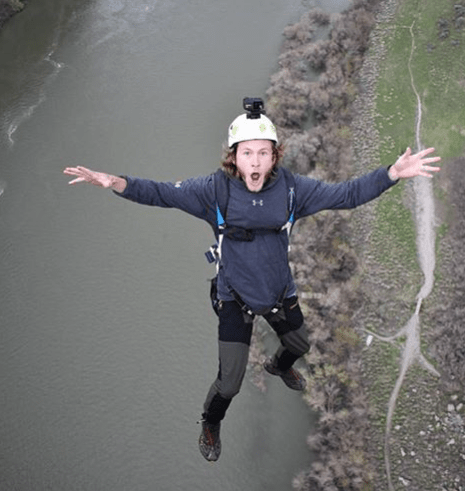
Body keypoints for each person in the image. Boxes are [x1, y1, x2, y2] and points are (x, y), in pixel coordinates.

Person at [63, 98, 440, 462]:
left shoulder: (292, 190)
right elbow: (162, 193)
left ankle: (277, 366)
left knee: (300, 344)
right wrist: (114, 181)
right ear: (234, 157)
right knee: (229, 384)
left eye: (264, 152)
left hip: (278, 292)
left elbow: (346, 195)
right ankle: (211, 423)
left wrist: (391, 174)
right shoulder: (215, 191)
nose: (256, 161)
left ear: (275, 156)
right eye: (247, 153)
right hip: (235, 298)